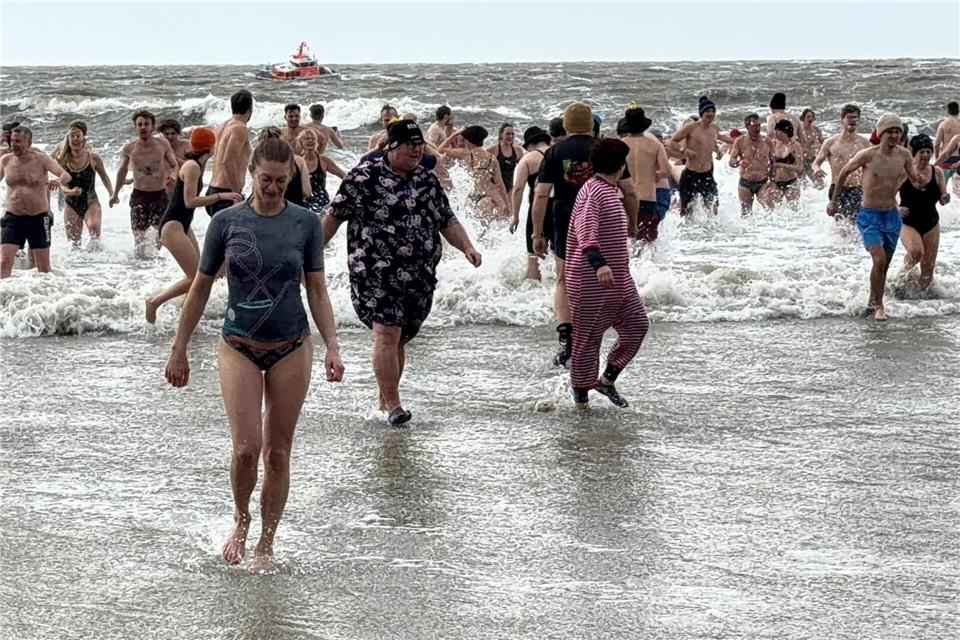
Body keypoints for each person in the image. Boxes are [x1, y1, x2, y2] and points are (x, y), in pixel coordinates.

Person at [164, 137, 344, 572]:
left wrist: (333, 346)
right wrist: (179, 347)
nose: (274, 188)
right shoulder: (226, 223)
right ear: (251, 174)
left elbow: (316, 290)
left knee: (278, 453)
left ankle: (266, 542)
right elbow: (201, 287)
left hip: (292, 345)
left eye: (282, 181)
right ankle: (241, 520)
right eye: (266, 179)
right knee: (247, 448)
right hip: (238, 345)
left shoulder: (304, 224)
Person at [322, 119, 481, 426]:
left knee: (400, 338)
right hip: (374, 272)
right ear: (392, 147)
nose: (417, 152)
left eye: (420, 147)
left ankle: (386, 401)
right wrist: (309, 256)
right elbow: (333, 217)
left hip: (419, 275)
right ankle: (394, 405)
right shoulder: (363, 177)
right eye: (411, 147)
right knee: (387, 331)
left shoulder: (426, 179)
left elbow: (447, 220)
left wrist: (467, 248)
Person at [532, 102, 638, 368]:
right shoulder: (603, 150)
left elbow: (541, 194)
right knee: (608, 275)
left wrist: (537, 233)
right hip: (604, 218)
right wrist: (632, 223)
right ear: (591, 126)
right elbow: (630, 191)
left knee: (564, 280)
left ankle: (567, 338)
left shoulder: (555, 152)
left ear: (566, 126)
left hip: (566, 218)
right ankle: (599, 332)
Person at [566, 138, 649, 408]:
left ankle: (606, 381)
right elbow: (585, 229)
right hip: (590, 278)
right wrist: (598, 263)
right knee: (587, 341)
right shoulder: (594, 192)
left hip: (619, 279)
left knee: (637, 325)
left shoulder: (610, 191)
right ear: (621, 165)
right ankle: (580, 403)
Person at [828, 114, 923, 321]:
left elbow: (914, 179)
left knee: (883, 265)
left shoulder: (905, 155)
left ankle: (872, 301)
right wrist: (833, 201)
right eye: (890, 131)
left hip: (891, 216)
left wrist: (920, 182)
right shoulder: (867, 155)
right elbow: (843, 173)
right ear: (881, 134)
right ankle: (880, 306)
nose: (894, 135)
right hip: (869, 215)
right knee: (878, 259)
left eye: (898, 132)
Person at [146, 128, 242, 324]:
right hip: (172, 225)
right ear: (211, 147)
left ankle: (185, 311)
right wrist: (221, 196)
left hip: (182, 224)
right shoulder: (192, 167)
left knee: (202, 275)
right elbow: (190, 201)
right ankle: (155, 302)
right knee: (194, 278)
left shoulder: (197, 165)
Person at [1, 126, 81, 277]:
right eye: (11, 141)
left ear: (29, 142)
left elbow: (66, 175)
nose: (13, 145)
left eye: (18, 141)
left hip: (38, 218)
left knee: (43, 268)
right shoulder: (6, 161)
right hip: (12, 217)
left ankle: (46, 297)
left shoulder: (41, 159)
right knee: (4, 262)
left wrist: (58, 181)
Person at [109, 110, 178, 256]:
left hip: (159, 195)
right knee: (139, 238)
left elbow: (174, 164)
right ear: (135, 127)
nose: (143, 127)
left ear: (152, 126)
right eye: (139, 124)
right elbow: (122, 171)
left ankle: (154, 268)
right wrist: (115, 194)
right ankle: (139, 267)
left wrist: (172, 176)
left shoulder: (162, 144)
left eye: (146, 124)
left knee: (158, 236)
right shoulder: (130, 148)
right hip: (139, 196)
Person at [898, 134, 950, 289]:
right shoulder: (903, 171)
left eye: (929, 151)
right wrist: (896, 207)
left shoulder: (937, 172)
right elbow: (887, 194)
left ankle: (921, 300)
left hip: (931, 222)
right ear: (914, 153)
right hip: (908, 222)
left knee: (928, 268)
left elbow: (942, 198)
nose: (926, 155)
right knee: (916, 252)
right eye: (922, 152)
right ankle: (902, 276)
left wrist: (945, 198)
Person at [53, 122, 114, 249]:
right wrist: (71, 192)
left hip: (91, 200)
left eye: (78, 136)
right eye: (72, 137)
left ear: (83, 139)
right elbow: (61, 185)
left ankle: (97, 261)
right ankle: (80, 267)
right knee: (74, 244)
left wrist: (112, 193)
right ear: (68, 142)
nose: (75, 139)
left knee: (94, 227)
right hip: (71, 203)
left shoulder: (93, 158)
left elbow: (105, 177)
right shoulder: (64, 160)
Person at [667, 96, 732, 215]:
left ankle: (710, 231)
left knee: (713, 206)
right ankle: (688, 232)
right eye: (707, 111)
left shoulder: (715, 128)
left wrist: (718, 150)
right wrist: (684, 150)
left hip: (707, 174)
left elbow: (717, 139)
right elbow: (671, 141)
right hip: (690, 174)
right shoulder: (691, 128)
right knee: (686, 210)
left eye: (713, 111)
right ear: (701, 113)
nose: (710, 114)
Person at [813, 104, 872, 222]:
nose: (853, 120)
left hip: (857, 188)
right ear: (842, 120)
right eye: (849, 117)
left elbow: (874, 165)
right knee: (841, 226)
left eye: (855, 118)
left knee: (856, 225)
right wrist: (817, 169)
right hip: (838, 189)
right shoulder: (831, 142)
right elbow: (816, 162)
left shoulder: (864, 143)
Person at [437, 125, 511, 218]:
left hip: (470, 198)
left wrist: (455, 134)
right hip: (487, 199)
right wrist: (506, 205)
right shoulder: (492, 159)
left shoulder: (464, 154)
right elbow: (500, 185)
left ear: (468, 140)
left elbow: (440, 149)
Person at [619, 104, 669, 240]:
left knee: (624, 240)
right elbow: (666, 171)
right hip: (646, 197)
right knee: (646, 242)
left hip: (623, 197)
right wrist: (652, 175)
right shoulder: (654, 145)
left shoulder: (619, 145)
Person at [510, 125, 552, 280]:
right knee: (561, 256)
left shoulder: (527, 158)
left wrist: (515, 216)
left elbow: (518, 188)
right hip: (560, 209)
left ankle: (532, 295)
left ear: (530, 144)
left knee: (533, 257)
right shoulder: (558, 153)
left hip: (537, 211)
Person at [206, 89, 253, 216]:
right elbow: (227, 161)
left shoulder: (221, 126)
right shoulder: (240, 128)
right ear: (250, 109)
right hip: (227, 193)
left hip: (212, 190)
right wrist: (236, 194)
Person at [728, 113, 774, 215]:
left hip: (763, 182)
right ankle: (750, 231)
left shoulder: (767, 141)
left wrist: (773, 180)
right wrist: (739, 162)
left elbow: (773, 162)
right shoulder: (740, 141)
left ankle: (770, 230)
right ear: (747, 126)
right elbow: (731, 161)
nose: (757, 128)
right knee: (746, 213)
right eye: (754, 126)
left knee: (770, 210)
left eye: (759, 125)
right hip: (745, 183)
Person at [257, 127, 311, 207]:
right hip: (293, 208)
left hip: (266, 209)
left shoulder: (258, 162)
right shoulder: (298, 161)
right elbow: (306, 191)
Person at [299, 128, 346, 212]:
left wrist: (342, 195)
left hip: (321, 200)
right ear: (301, 143)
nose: (310, 140)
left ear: (317, 142)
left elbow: (344, 176)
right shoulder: (297, 162)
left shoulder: (323, 160)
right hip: (302, 199)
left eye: (313, 138)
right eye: (307, 138)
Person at [767, 120, 805, 208]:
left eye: (778, 131)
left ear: (785, 132)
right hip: (776, 182)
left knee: (794, 211)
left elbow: (800, 167)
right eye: (775, 130)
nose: (775, 133)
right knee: (774, 212)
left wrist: (782, 165)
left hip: (791, 182)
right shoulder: (773, 143)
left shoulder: (795, 145)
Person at [485, 123, 524, 193]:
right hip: (495, 190)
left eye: (512, 134)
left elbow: (524, 170)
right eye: (508, 134)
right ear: (501, 135)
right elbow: (481, 168)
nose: (511, 136)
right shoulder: (492, 150)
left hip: (510, 190)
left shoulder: (518, 151)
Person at [799, 108, 824, 186]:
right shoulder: (798, 130)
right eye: (808, 117)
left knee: (820, 184)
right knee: (802, 185)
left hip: (811, 160)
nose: (810, 119)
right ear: (803, 118)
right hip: (800, 161)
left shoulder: (816, 130)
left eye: (812, 117)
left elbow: (823, 144)